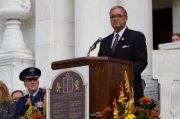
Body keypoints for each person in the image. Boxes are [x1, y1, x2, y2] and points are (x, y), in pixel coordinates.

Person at [98, 5, 148, 106]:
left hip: (130, 89)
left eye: (119, 16)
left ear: (126, 18)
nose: (115, 18)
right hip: (108, 92)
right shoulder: (104, 42)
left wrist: (123, 78)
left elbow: (141, 61)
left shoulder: (136, 36)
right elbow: (101, 65)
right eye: (112, 16)